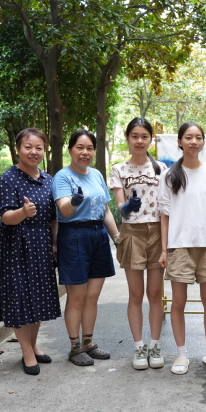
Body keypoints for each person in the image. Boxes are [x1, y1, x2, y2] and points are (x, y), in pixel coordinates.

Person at [158, 122, 206, 375]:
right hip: (179, 245)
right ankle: (182, 355)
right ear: (180, 142)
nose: (194, 142)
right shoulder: (169, 175)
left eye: (198, 137)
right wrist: (164, 249)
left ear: (203, 141)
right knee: (179, 302)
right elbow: (164, 215)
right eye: (189, 137)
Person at [0, 128, 61, 375]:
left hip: (41, 244)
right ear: (18, 149)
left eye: (38, 148)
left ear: (44, 150)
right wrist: (23, 212)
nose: (33, 152)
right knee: (20, 298)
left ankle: (33, 345)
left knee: (38, 297)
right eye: (28, 147)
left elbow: (53, 218)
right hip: (16, 245)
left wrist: (55, 244)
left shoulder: (49, 180)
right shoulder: (8, 179)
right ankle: (26, 352)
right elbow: (6, 217)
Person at [51, 129, 119, 366]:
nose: (85, 152)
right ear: (70, 149)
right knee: (76, 297)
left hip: (98, 235)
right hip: (74, 235)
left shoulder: (97, 174)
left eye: (89, 148)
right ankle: (75, 347)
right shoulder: (62, 177)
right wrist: (74, 201)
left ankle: (88, 343)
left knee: (92, 295)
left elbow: (105, 210)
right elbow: (64, 210)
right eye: (80, 147)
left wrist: (117, 238)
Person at [110, 118, 167, 370]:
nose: (140, 141)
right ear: (127, 138)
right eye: (134, 136)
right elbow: (120, 207)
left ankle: (155, 345)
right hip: (132, 231)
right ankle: (138, 346)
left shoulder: (161, 168)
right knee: (136, 294)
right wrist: (127, 207)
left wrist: (166, 244)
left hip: (157, 231)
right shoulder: (119, 169)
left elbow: (166, 206)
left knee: (154, 294)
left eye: (144, 136)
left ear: (151, 140)